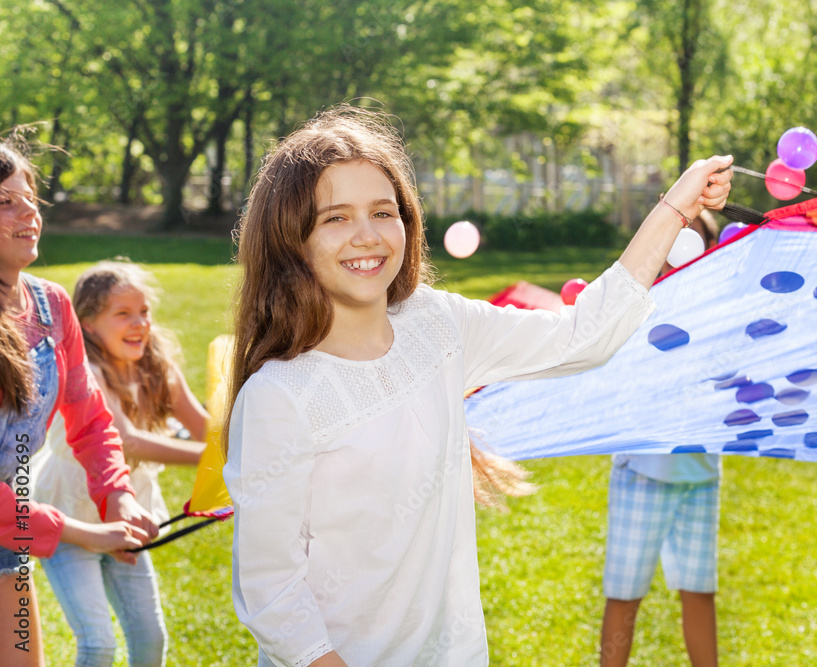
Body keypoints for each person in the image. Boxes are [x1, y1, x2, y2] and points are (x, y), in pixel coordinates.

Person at [221, 105, 732, 667]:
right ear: (290, 239)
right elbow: (273, 592)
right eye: (335, 218)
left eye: (383, 212)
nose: (366, 236)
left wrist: (674, 209)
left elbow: (585, 336)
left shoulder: (437, 324)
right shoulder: (279, 396)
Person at [0, 139, 159, 667]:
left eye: (30, 198)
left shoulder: (51, 305)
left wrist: (117, 495)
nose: (29, 213)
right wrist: (84, 531)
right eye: (5, 202)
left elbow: (89, 419)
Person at [31, 259, 208, 666]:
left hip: (128, 516)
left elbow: (207, 431)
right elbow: (126, 440)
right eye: (123, 314)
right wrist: (211, 458)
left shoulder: (159, 369)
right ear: (88, 325)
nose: (139, 323)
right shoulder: (86, 371)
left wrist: (245, 449)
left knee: (149, 639)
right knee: (98, 644)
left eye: (144, 312)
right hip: (71, 519)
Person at [599, 210, 723, 667]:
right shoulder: (641, 306)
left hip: (701, 475)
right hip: (644, 475)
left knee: (699, 590)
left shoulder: (716, 310)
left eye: (696, 241)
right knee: (625, 594)